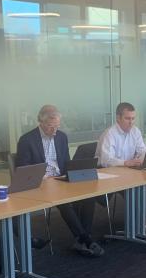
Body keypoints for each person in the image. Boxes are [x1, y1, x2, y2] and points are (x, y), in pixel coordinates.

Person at [16, 105, 103, 258]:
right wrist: (44, 178)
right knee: (63, 201)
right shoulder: (27, 140)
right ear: (40, 122)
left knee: (89, 195)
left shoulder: (62, 137)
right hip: (42, 183)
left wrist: (70, 174)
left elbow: (66, 162)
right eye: (51, 127)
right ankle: (85, 239)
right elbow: (23, 169)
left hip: (61, 178)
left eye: (57, 126)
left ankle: (82, 238)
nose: (55, 131)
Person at [96, 102, 146, 231]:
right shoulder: (109, 134)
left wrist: (144, 158)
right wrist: (125, 162)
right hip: (110, 174)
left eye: (133, 118)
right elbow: (105, 160)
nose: (131, 122)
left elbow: (143, 150)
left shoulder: (135, 131)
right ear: (118, 118)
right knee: (139, 185)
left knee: (145, 182)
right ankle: (143, 222)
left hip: (128, 171)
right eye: (127, 118)